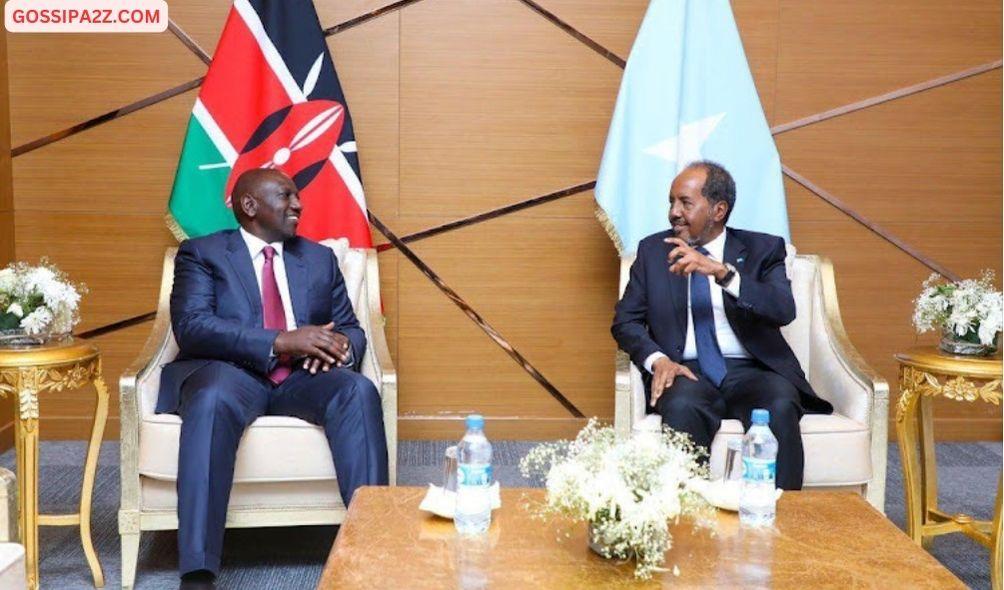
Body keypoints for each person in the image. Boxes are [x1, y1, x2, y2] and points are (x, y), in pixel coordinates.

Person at [158, 169, 389, 589]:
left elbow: (353, 329)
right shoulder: (203, 254)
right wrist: (281, 340)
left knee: (357, 391)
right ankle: (198, 571)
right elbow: (192, 326)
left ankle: (373, 555)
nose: (298, 205)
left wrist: (337, 347)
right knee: (210, 399)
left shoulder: (318, 258)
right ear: (249, 205)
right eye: (286, 195)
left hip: (303, 379)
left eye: (297, 196)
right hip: (230, 374)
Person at [611, 161, 832, 491]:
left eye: (685, 202)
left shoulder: (763, 249)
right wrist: (658, 360)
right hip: (684, 370)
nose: (673, 212)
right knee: (683, 405)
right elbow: (625, 322)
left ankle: (782, 519)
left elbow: (782, 310)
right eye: (671, 202)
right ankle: (685, 517)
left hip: (752, 371)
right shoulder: (653, 251)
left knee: (780, 403)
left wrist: (721, 273)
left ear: (718, 209)